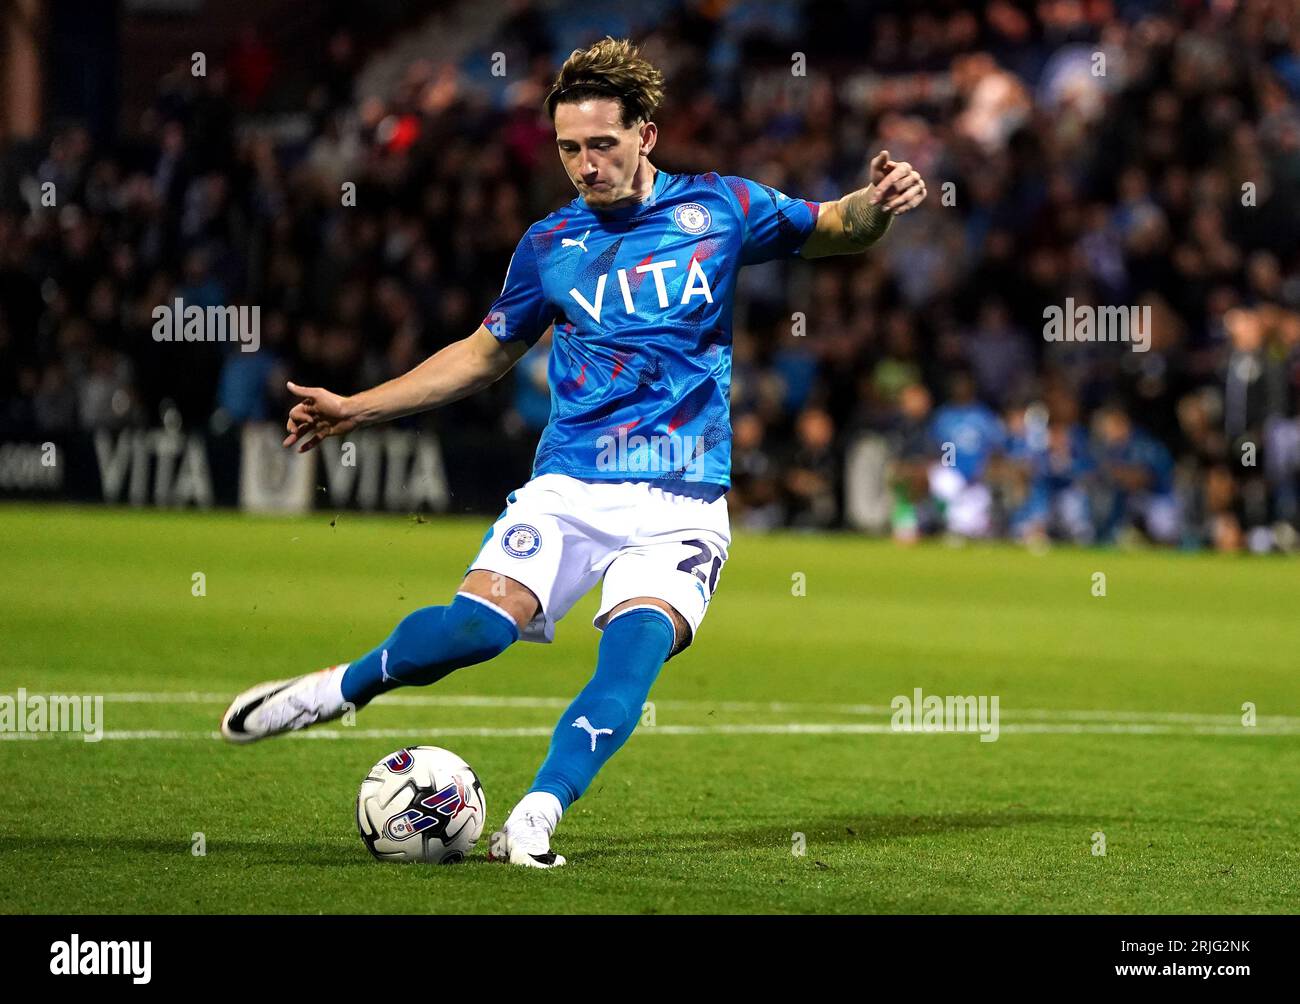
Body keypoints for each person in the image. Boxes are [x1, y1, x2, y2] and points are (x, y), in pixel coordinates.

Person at [219, 37, 927, 867]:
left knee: (628, 662)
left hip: (683, 500)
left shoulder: (720, 208)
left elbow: (838, 228)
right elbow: (484, 353)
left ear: (646, 136)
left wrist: (879, 200)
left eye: (601, 145)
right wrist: (359, 406)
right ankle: (332, 691)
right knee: (474, 633)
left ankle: (537, 814)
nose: (585, 165)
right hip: (572, 484)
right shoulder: (549, 244)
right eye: (568, 148)